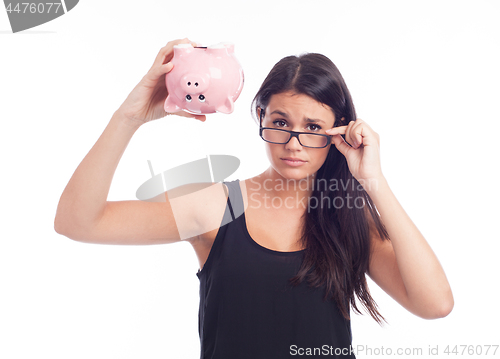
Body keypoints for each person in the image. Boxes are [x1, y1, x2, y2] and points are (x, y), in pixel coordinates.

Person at [54, 38, 454, 358]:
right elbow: (77, 222)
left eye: (313, 126)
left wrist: (374, 180)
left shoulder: (346, 217)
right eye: (280, 122)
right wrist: (130, 117)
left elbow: (435, 304)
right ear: (260, 116)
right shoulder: (219, 206)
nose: (294, 143)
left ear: (339, 133)